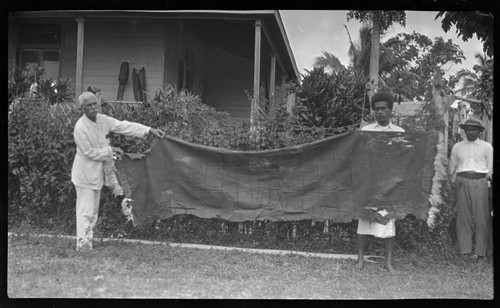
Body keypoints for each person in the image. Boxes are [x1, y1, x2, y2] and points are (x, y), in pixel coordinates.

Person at [72, 91, 165, 251]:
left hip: (97, 175)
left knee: (93, 212)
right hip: (84, 174)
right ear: (82, 108)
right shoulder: (80, 128)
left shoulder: (103, 120)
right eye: (89, 105)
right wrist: (110, 150)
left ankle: (88, 243)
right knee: (85, 211)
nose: (94, 107)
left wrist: (149, 130)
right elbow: (89, 152)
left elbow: (124, 126)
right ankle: (83, 246)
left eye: (95, 103)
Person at [355, 91, 405, 273]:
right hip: (369, 183)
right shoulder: (366, 130)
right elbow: (359, 157)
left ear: (391, 111)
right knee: (364, 220)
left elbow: (404, 159)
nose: (380, 112)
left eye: (384, 109)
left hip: (389, 184)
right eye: (377, 109)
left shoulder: (400, 133)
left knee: (388, 222)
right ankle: (360, 259)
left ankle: (388, 262)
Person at [448, 117, 493, 261]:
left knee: (482, 219)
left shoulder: (487, 147)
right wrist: (453, 184)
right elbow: (452, 167)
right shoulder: (457, 147)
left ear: (479, 131)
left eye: (473, 129)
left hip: (480, 182)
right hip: (461, 182)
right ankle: (465, 252)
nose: (470, 132)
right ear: (464, 130)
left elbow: (490, 168)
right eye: (468, 129)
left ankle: (481, 253)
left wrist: (487, 182)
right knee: (463, 218)